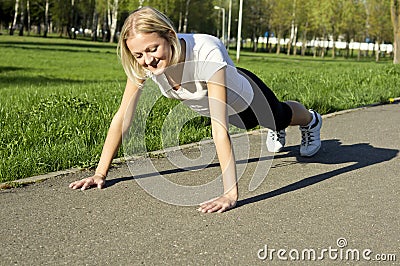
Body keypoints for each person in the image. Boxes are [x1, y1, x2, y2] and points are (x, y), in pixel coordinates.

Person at [69, 6, 322, 213]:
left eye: (152, 49)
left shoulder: (205, 52)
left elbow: (219, 128)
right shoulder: (143, 66)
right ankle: (278, 129)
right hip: (221, 111)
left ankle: (311, 120)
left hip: (248, 100)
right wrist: (100, 173)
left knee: (279, 118)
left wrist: (230, 194)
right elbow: (124, 116)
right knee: (266, 124)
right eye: (138, 54)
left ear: (169, 35)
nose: (147, 60)